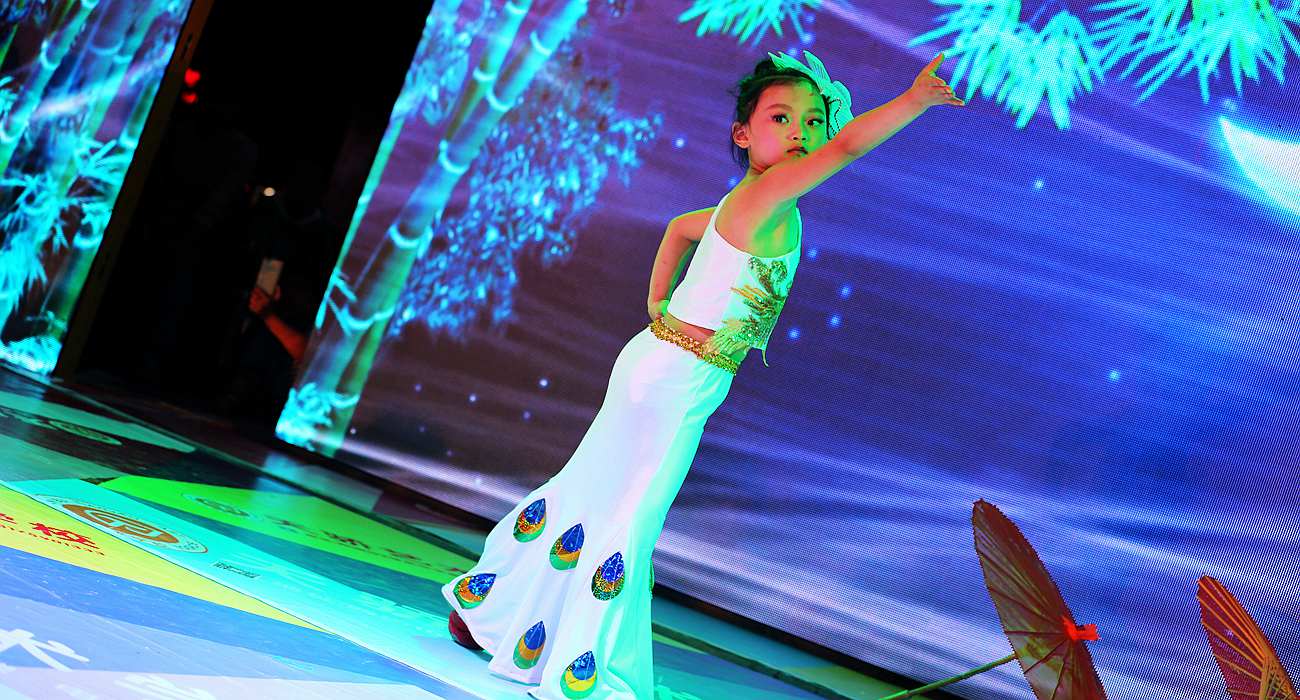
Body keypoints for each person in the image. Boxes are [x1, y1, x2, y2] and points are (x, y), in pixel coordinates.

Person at [441, 50, 965, 699]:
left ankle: (486, 610)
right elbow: (847, 149)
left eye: (812, 120)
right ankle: (580, 675)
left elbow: (678, 230)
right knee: (629, 520)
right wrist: (913, 101)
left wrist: (658, 304)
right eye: (781, 117)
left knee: (589, 495)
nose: (800, 132)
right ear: (743, 133)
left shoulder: (750, 202)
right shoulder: (769, 194)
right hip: (676, 379)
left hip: (660, 364)